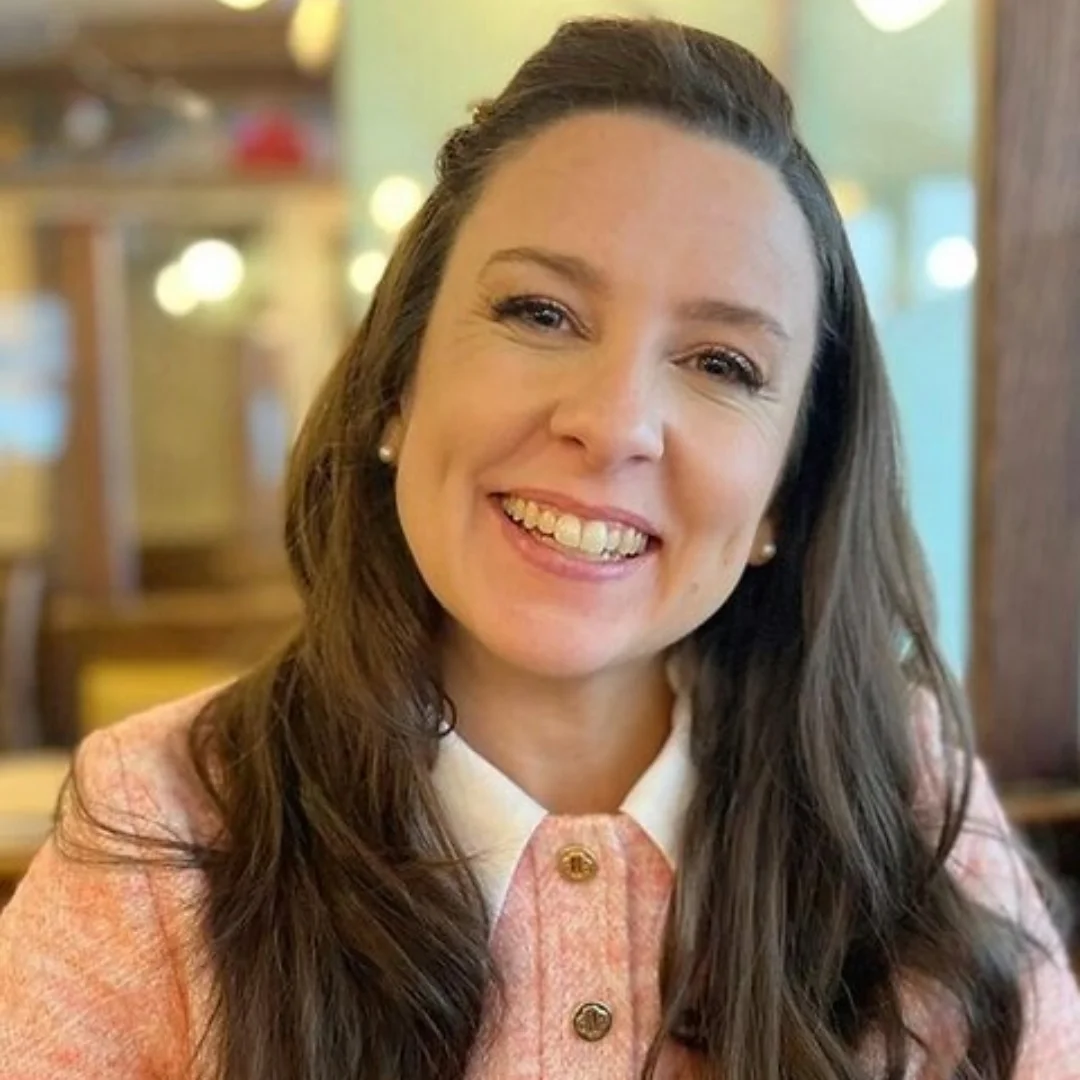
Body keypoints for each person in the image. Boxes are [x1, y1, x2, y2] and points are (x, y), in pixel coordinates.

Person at [1, 17, 1078, 1080]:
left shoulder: (903, 792)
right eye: (541, 312)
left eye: (721, 363)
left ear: (784, 497)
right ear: (397, 384)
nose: (613, 423)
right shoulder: (171, 819)